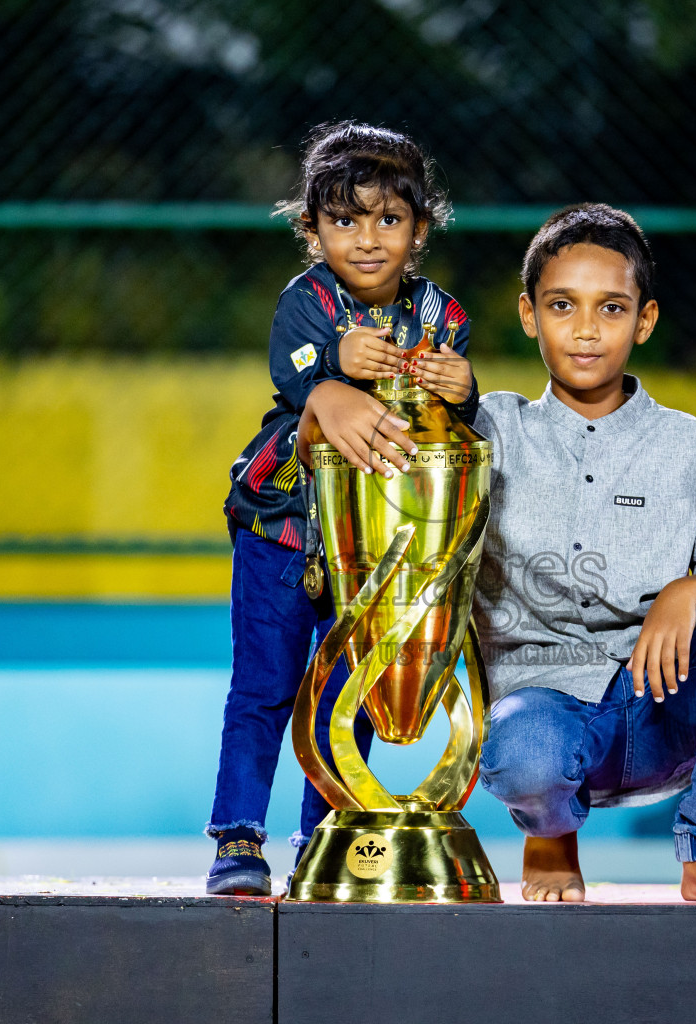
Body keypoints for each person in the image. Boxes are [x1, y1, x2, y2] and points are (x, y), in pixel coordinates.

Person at [302, 204, 696, 903]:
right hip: (541, 713)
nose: (587, 330)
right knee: (527, 751)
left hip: (662, 708)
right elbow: (367, 460)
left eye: (612, 308)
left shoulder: (694, 448)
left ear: (645, 321)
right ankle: (550, 837)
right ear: (529, 314)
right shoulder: (485, 431)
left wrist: (686, 592)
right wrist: (323, 392)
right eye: (563, 306)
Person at [207, 121, 479, 896]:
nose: (367, 239)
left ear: (420, 228)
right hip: (283, 530)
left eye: (389, 220)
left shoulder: (442, 319)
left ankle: (324, 835)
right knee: (264, 686)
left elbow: (455, 429)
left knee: (347, 695)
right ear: (312, 227)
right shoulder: (307, 303)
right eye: (344, 220)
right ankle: (237, 839)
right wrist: (332, 366)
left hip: (379, 545)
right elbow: (298, 383)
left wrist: (465, 389)